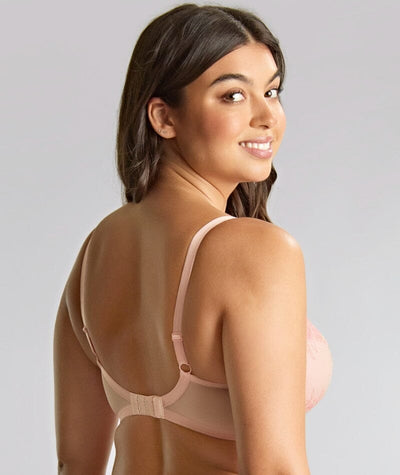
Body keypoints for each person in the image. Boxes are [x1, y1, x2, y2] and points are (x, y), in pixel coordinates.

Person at [53, 3, 333, 474]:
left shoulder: (95, 253)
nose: (267, 115)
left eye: (271, 91)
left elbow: (75, 465)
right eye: (233, 96)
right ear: (163, 118)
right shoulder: (257, 251)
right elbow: (274, 468)